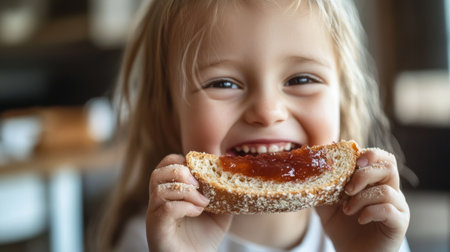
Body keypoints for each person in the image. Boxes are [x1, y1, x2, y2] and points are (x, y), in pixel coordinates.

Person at [97, 0, 411, 251]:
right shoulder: (151, 241)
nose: (267, 111)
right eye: (223, 83)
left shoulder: (371, 229)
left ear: (342, 100)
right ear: (167, 112)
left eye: (301, 79)